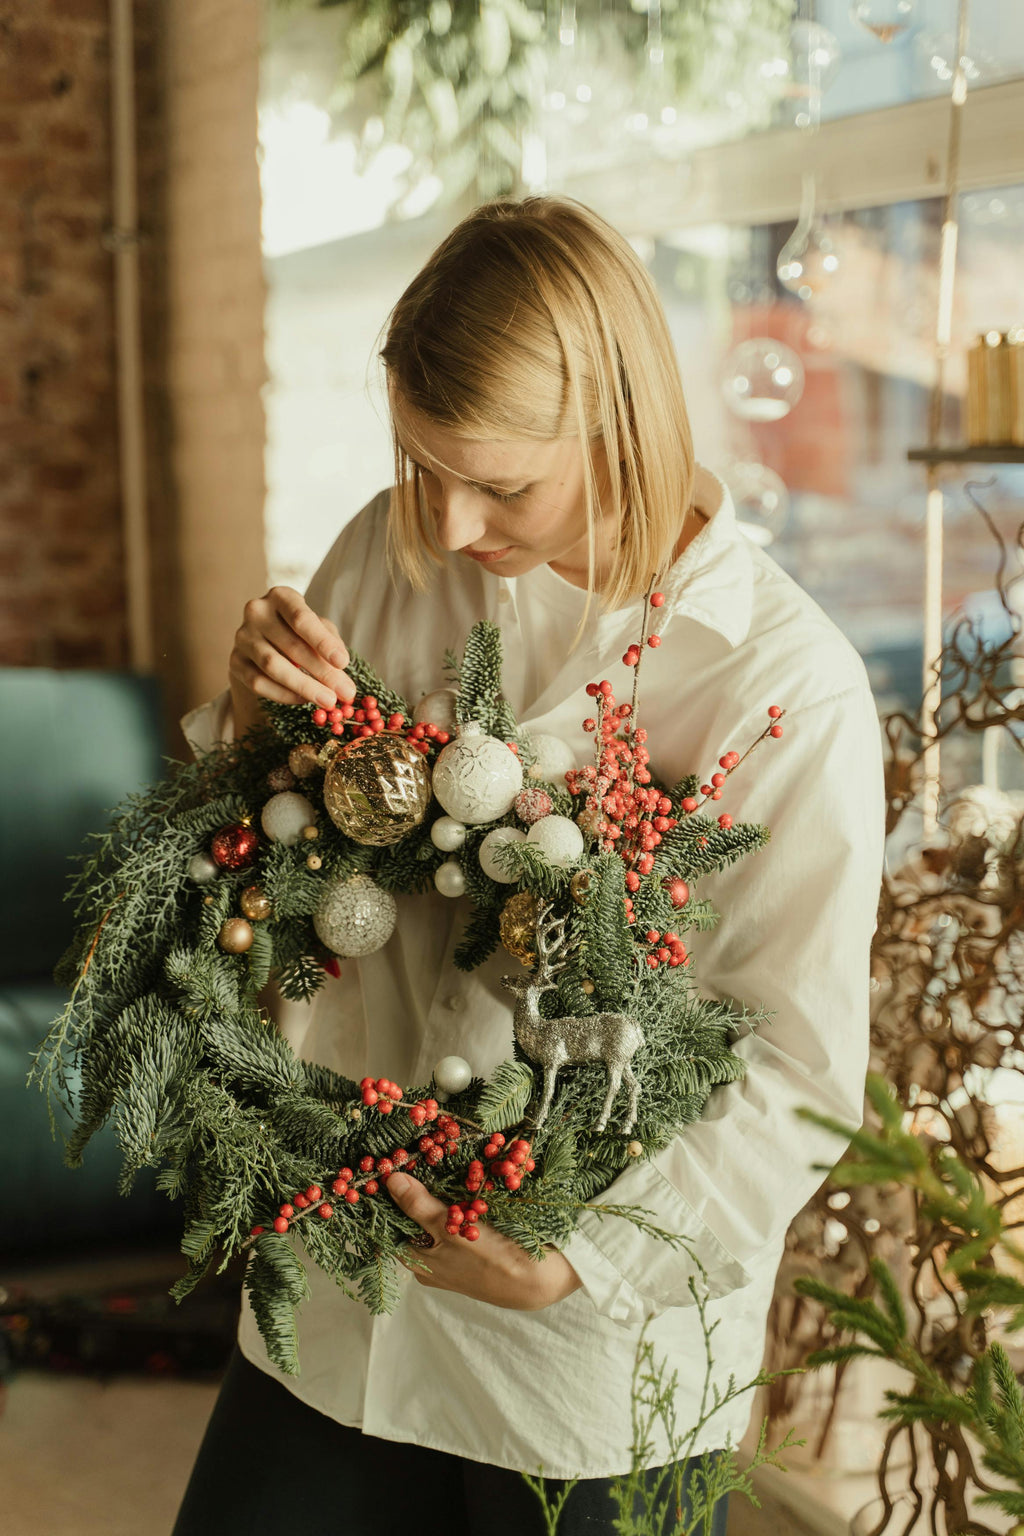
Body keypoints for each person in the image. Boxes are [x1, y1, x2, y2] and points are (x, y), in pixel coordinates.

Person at [172, 195, 887, 1535]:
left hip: (592, 1374)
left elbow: (793, 1068)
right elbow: (260, 872)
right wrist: (262, 728)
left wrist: (583, 1258)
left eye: (500, 484)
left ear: (622, 423)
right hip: (339, 1289)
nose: (446, 525)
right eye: (418, 463)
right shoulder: (391, 553)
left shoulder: (788, 690)